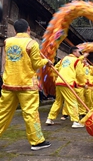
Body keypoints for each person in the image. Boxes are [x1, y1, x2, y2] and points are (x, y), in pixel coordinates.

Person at [0, 19, 52, 150]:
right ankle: (37, 141)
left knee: (2, 113)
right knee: (30, 113)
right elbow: (35, 64)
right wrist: (45, 61)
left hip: (9, 83)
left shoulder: (7, 42)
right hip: (27, 84)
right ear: (28, 29)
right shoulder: (32, 43)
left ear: (16, 30)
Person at [45, 46, 88, 128]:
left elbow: (55, 68)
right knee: (72, 102)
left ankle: (50, 118)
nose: (80, 54)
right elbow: (80, 74)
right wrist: (83, 83)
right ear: (74, 52)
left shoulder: (63, 59)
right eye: (79, 52)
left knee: (58, 101)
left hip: (59, 82)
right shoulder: (76, 61)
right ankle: (75, 121)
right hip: (68, 83)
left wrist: (58, 77)